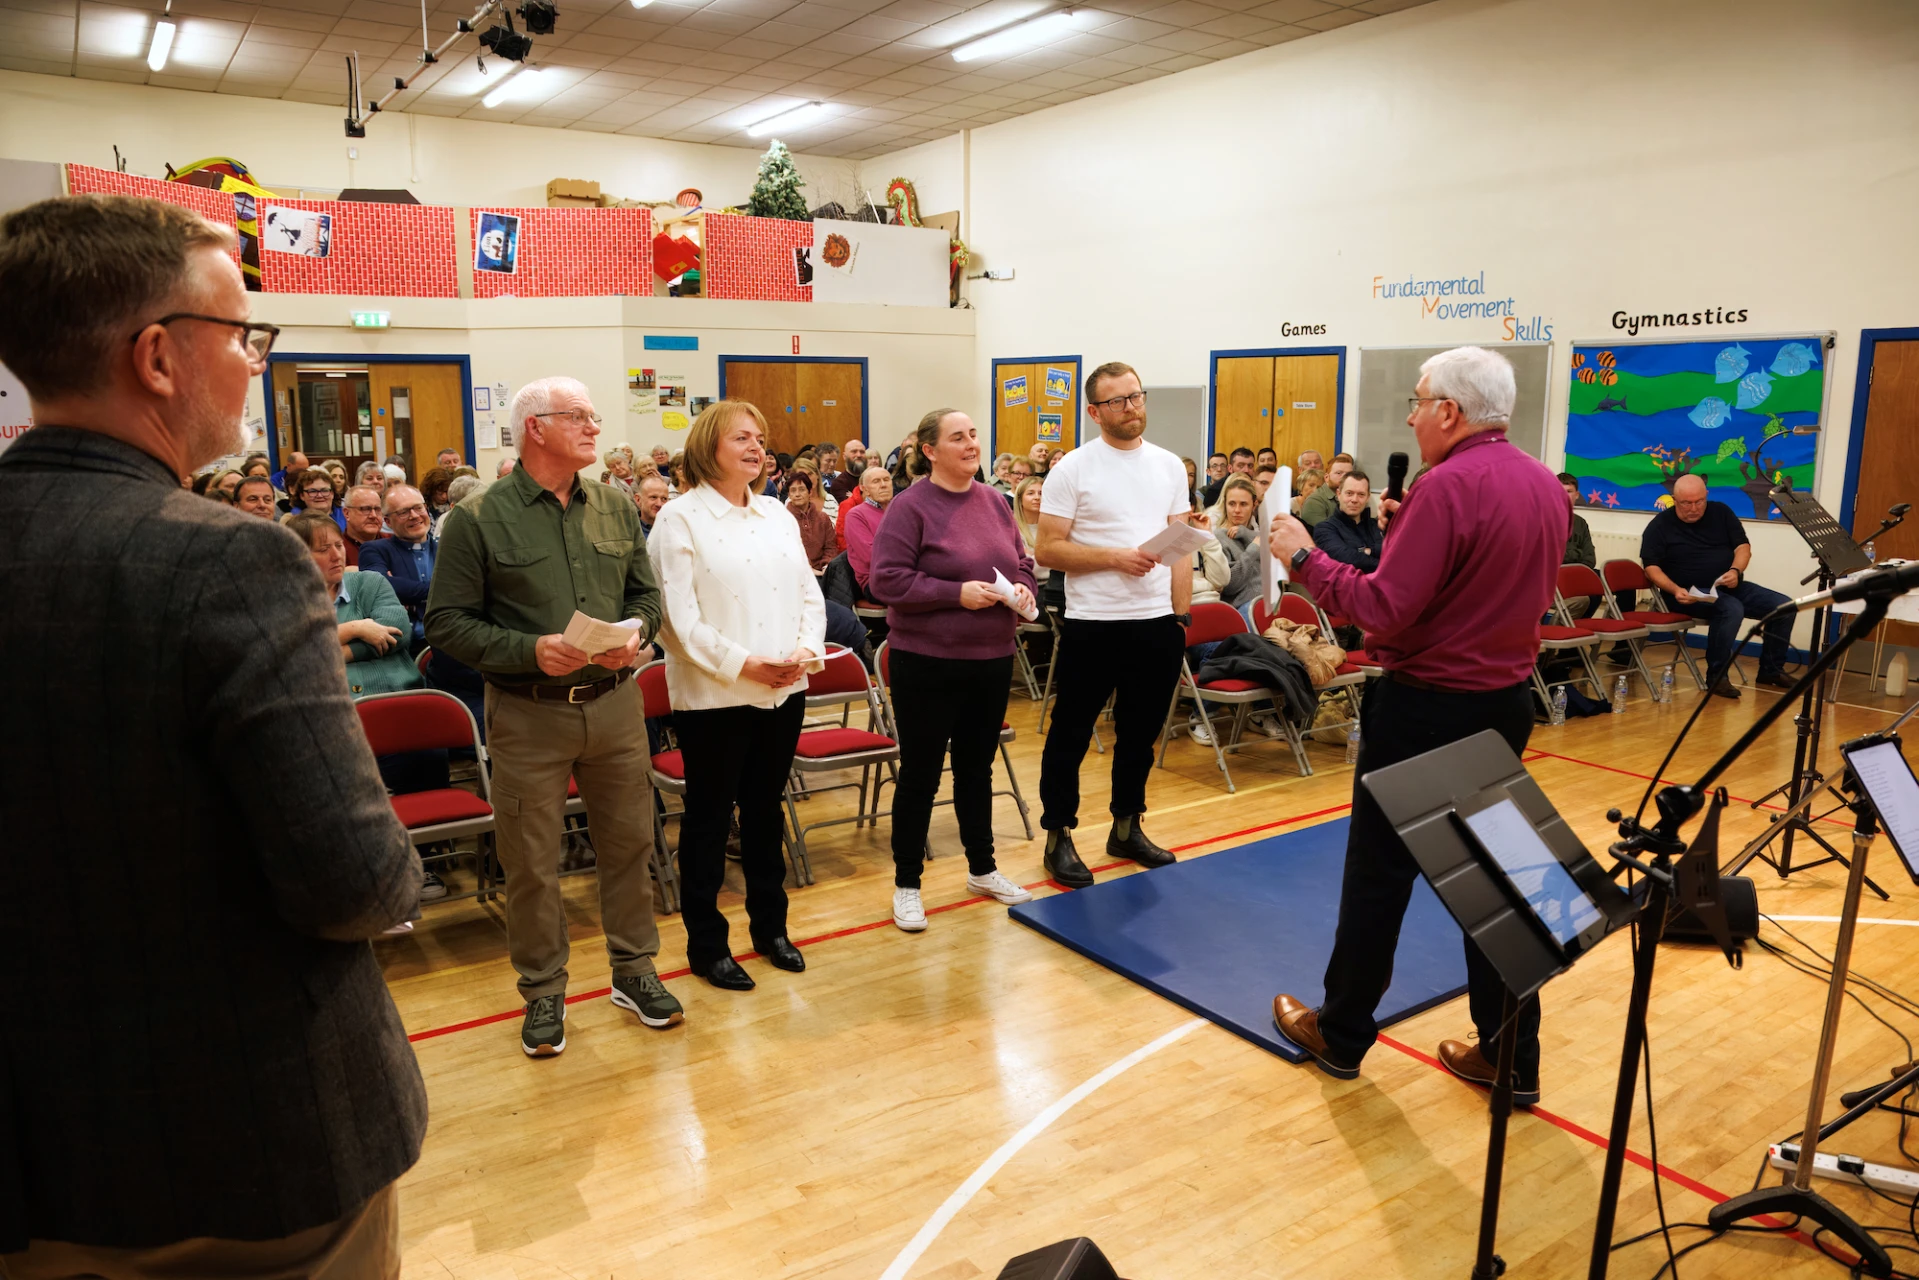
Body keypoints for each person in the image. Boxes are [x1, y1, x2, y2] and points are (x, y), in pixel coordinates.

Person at [0, 193, 424, 1274]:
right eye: (243, 334)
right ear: (156, 356)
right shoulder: (228, 560)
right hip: (242, 1148)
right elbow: (354, 881)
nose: (253, 360)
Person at [1266, 346, 1567, 1107]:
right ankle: (1509, 1056)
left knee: (1378, 878)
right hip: (1501, 701)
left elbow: (1379, 610)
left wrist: (1305, 558)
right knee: (1495, 886)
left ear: (1449, 413)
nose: (1408, 413)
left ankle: (1339, 1035)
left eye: (1417, 399)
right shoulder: (1541, 483)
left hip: (1424, 705)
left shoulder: (1444, 489)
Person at [426, 375, 681, 1057]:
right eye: (579, 416)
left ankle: (633, 971)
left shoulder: (617, 509)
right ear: (534, 427)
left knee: (628, 843)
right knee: (533, 861)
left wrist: (638, 629)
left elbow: (645, 595)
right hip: (528, 713)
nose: (595, 426)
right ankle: (543, 992)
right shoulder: (480, 518)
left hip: (616, 705)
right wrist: (529, 651)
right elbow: (445, 623)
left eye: (595, 416)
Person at [648, 400, 822, 991]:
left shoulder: (776, 513)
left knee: (766, 810)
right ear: (707, 447)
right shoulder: (679, 518)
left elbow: (808, 593)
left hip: (783, 688)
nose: (757, 447)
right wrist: (745, 663)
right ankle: (707, 943)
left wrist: (803, 652)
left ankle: (771, 928)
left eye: (761, 437)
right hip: (715, 694)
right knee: (708, 817)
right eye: (741, 437)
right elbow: (675, 619)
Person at [869, 409, 1039, 930]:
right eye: (957, 438)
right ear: (929, 450)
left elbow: (1021, 559)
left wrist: (1024, 585)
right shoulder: (909, 506)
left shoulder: (993, 500)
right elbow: (887, 581)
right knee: (920, 773)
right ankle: (906, 883)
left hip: (991, 659)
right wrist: (952, 594)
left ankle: (982, 869)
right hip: (927, 661)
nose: (971, 444)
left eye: (973, 436)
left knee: (976, 770)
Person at [1034, 362, 1188, 887]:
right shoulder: (1073, 468)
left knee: (1140, 735)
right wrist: (1113, 559)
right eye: (1119, 401)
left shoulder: (1169, 465)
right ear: (1095, 411)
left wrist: (1180, 616)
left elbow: (1181, 546)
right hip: (1094, 623)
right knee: (1071, 735)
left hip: (1156, 622)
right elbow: (1048, 548)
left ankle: (1127, 825)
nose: (1132, 407)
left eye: (1137, 396)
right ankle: (1058, 834)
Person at [1641, 472, 1793, 696]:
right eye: (1686, 503)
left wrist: (1735, 570)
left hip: (1727, 586)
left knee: (1784, 607)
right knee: (1731, 609)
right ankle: (1717, 676)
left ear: (1707, 496)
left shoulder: (1721, 512)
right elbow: (1651, 567)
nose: (1693, 508)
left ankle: (1771, 670)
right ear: (1674, 499)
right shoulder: (1659, 526)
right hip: (1687, 594)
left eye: (1699, 501)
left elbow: (1743, 547)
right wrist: (1674, 590)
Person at [287, 512, 422, 698]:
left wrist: (337, 654)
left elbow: (399, 632)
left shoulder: (369, 582)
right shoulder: (283, 599)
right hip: (330, 707)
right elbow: (290, 649)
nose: (336, 556)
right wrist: (356, 628)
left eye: (339, 545)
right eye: (324, 549)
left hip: (395, 694)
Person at [358, 484, 437, 649]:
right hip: (405, 645)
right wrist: (440, 591)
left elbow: (468, 587)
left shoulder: (448, 547)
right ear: (387, 521)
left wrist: (404, 590)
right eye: (403, 512)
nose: (414, 516)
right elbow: (379, 587)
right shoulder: (375, 550)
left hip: (451, 640)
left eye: (418, 508)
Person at [1207, 474, 1264, 607]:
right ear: (1225, 505)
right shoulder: (1219, 537)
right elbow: (1230, 586)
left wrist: (1246, 535)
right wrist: (1252, 551)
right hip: (1244, 607)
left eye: (1243, 504)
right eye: (1232, 504)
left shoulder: (1257, 535)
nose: (1237, 510)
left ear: (1254, 505)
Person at [1312, 470, 1384, 573]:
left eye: (1361, 494)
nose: (1354, 499)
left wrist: (1369, 551)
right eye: (1349, 493)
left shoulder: (1377, 526)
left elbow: (1392, 553)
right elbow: (1347, 558)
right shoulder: (1324, 529)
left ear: (1368, 497)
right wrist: (1385, 566)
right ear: (1339, 494)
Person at [843, 464, 894, 595]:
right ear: (864, 489)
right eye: (876, 481)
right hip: (875, 582)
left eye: (886, 480)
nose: (883, 485)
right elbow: (872, 556)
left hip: (907, 574)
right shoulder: (856, 515)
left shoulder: (901, 510)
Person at [784, 462, 839, 574]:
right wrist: (809, 570)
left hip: (822, 572)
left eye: (802, 489)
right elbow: (784, 552)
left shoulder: (823, 518)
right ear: (789, 495)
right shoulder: (783, 519)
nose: (797, 494)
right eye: (793, 490)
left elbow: (831, 547)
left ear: (810, 492)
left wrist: (825, 567)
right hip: (794, 572)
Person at [1296, 452, 1355, 529]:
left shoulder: (1355, 497)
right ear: (1326, 477)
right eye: (1339, 473)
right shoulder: (1315, 500)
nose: (1344, 477)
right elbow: (1323, 533)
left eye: (1348, 474)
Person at [340, 483, 388, 567]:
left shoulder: (393, 542)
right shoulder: (337, 549)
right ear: (347, 513)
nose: (373, 515)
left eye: (377, 509)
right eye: (365, 509)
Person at [638, 472, 670, 538]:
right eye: (653, 497)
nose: (659, 504)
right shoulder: (628, 530)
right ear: (638, 499)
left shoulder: (675, 527)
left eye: (664, 499)